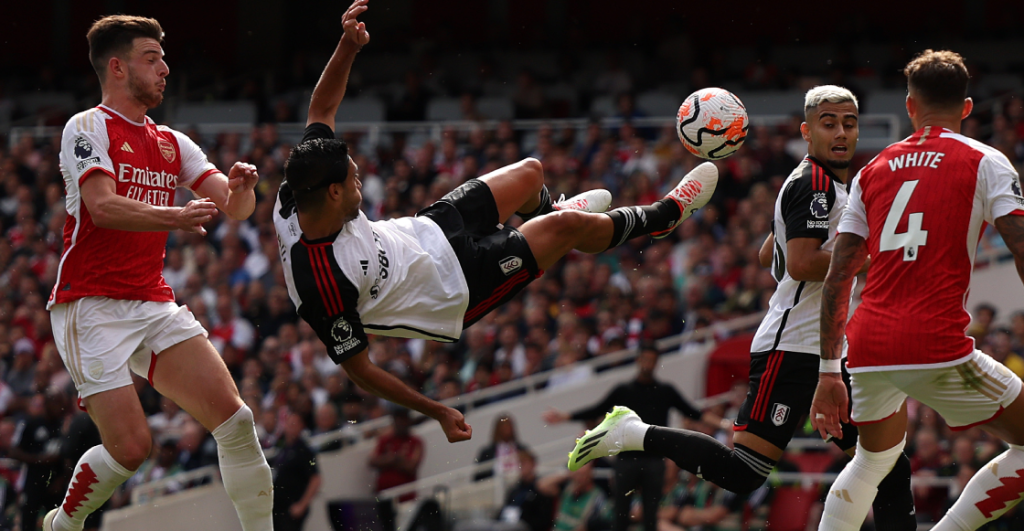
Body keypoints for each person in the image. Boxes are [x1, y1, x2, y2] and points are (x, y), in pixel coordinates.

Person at [273, 0, 720, 443]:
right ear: (332, 192)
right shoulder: (322, 282)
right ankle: (663, 216)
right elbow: (360, 370)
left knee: (531, 173)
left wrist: (348, 46)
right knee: (567, 232)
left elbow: (322, 107)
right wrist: (437, 411)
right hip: (454, 290)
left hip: (428, 229)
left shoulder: (300, 185)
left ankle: (551, 213)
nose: (360, 181)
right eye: (353, 181)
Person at [561, 86, 916, 531]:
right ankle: (632, 433)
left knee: (888, 465)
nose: (842, 132)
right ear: (807, 132)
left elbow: (769, 253)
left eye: (849, 122)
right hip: (793, 350)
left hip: (825, 349)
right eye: (829, 123)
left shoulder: (817, 182)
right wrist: (877, 256)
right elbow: (804, 263)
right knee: (745, 472)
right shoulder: (816, 183)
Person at [42, 15, 272, 531]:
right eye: (153, 58)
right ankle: (63, 524)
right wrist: (176, 216)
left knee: (237, 422)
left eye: (164, 58)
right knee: (131, 449)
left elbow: (235, 211)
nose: (165, 68)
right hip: (89, 304)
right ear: (118, 67)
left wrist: (241, 188)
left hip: (150, 300)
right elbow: (101, 207)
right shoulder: (86, 127)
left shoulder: (172, 141)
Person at [809, 50, 1024, 531]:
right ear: (966, 108)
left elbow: (839, 276)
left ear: (909, 106)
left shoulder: (872, 171)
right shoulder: (985, 161)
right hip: (937, 345)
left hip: (868, 346)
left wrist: (828, 371)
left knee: (872, 459)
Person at [545, 346, 728, 531]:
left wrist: (725, 425)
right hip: (627, 460)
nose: (648, 364)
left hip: (654, 461)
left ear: (657, 363)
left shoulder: (665, 391)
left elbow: (694, 412)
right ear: (638, 360)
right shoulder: (624, 390)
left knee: (651, 514)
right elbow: (597, 408)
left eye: (652, 360)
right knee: (621, 514)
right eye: (645, 359)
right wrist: (565, 416)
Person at [272, 410, 321, 531]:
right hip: (278, 508)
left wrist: (302, 505)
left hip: (292, 507)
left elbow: (315, 478)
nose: (291, 427)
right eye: (289, 423)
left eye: (295, 424)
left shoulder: (304, 451)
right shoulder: (284, 449)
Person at [368, 409, 423, 502]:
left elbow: (411, 467)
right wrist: (396, 459)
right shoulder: (385, 440)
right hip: (383, 496)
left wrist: (388, 460)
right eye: (398, 419)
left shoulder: (416, 442)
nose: (400, 423)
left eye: (403, 419)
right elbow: (372, 461)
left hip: (406, 496)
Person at [497, 450, 554, 531]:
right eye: (519, 464)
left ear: (533, 464)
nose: (521, 467)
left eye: (524, 463)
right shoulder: (514, 490)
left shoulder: (541, 488)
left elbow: (543, 520)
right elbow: (504, 510)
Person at [474, 414, 529, 481]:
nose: (507, 430)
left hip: (520, 484)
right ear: (498, 430)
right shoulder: (487, 453)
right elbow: (479, 476)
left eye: (508, 427)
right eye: (504, 427)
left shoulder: (522, 449)